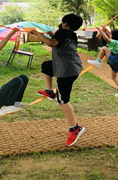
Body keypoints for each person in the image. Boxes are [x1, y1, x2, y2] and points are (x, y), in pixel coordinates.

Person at [30, 14, 86, 146]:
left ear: (65, 24)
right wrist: (51, 34)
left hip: (66, 71)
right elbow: (58, 39)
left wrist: (37, 34)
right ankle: (49, 92)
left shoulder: (62, 32)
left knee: (63, 101)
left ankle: (75, 128)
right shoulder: (71, 34)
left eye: (62, 21)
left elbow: (52, 43)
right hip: (71, 67)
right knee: (47, 66)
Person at [89, 27, 118, 97]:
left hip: (114, 60)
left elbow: (106, 39)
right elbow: (109, 36)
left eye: (111, 34)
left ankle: (98, 62)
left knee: (104, 48)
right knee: (114, 77)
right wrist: (105, 29)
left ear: (114, 36)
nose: (110, 35)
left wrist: (100, 30)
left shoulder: (115, 42)